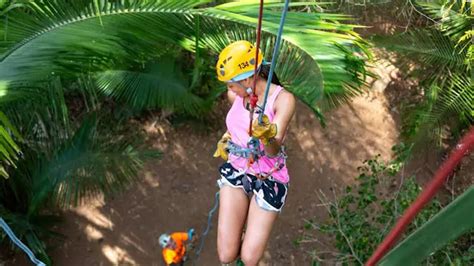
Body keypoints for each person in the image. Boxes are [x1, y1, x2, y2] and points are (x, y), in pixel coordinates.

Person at [213, 40, 296, 266]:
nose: (229, 89)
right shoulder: (236, 96)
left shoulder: (283, 99)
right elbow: (236, 122)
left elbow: (273, 149)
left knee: (249, 258)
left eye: (231, 84)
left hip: (269, 175)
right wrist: (229, 137)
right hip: (239, 167)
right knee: (226, 254)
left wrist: (267, 135)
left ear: (249, 79)